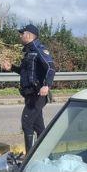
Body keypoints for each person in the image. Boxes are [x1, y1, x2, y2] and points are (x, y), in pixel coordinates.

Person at [16, 24, 56, 154]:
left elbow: (50, 67)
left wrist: (47, 85)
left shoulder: (39, 49)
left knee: (26, 122)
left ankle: (29, 156)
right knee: (39, 127)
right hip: (29, 94)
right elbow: (24, 71)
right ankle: (45, 154)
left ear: (28, 35)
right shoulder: (28, 51)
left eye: (22, 33)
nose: (20, 36)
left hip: (38, 94)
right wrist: (10, 67)